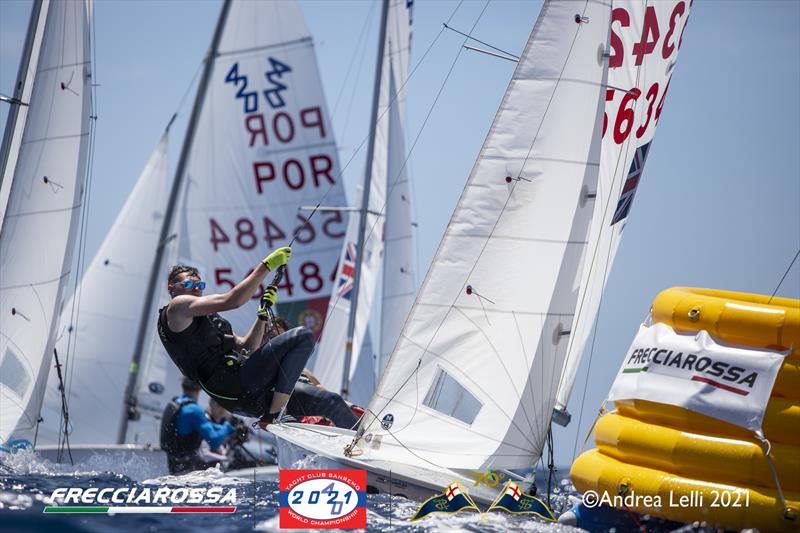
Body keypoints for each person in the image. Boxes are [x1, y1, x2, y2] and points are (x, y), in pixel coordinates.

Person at [156, 246, 315, 428]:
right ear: (171, 288)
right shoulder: (176, 308)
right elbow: (232, 300)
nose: (196, 290)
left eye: (200, 286)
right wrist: (266, 266)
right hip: (231, 388)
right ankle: (276, 414)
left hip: (242, 392)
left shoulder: (206, 317)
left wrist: (262, 316)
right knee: (303, 336)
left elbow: (247, 347)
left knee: (330, 401)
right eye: (190, 285)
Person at [265, 316, 360, 429]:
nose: (277, 343)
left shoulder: (302, 369)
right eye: (272, 338)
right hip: (292, 413)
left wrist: (347, 405)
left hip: (313, 410)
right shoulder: (266, 367)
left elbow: (319, 388)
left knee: (344, 407)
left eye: (280, 338)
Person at [159, 377, 234, 474]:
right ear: (200, 389)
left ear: (182, 386)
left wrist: (227, 428)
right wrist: (229, 425)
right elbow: (214, 441)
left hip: (173, 465)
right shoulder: (194, 410)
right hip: (186, 470)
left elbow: (204, 426)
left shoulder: (176, 403)